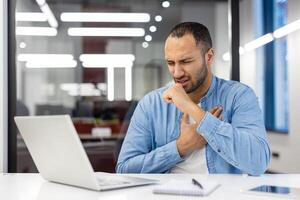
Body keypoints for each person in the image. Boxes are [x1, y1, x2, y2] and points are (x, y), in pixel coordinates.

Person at [116, 22, 270, 175]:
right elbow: (125, 169)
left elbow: (258, 162)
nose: (176, 73)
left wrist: (192, 109)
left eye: (186, 61)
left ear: (209, 57)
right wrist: (180, 147)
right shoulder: (151, 104)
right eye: (171, 63)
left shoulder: (238, 96)